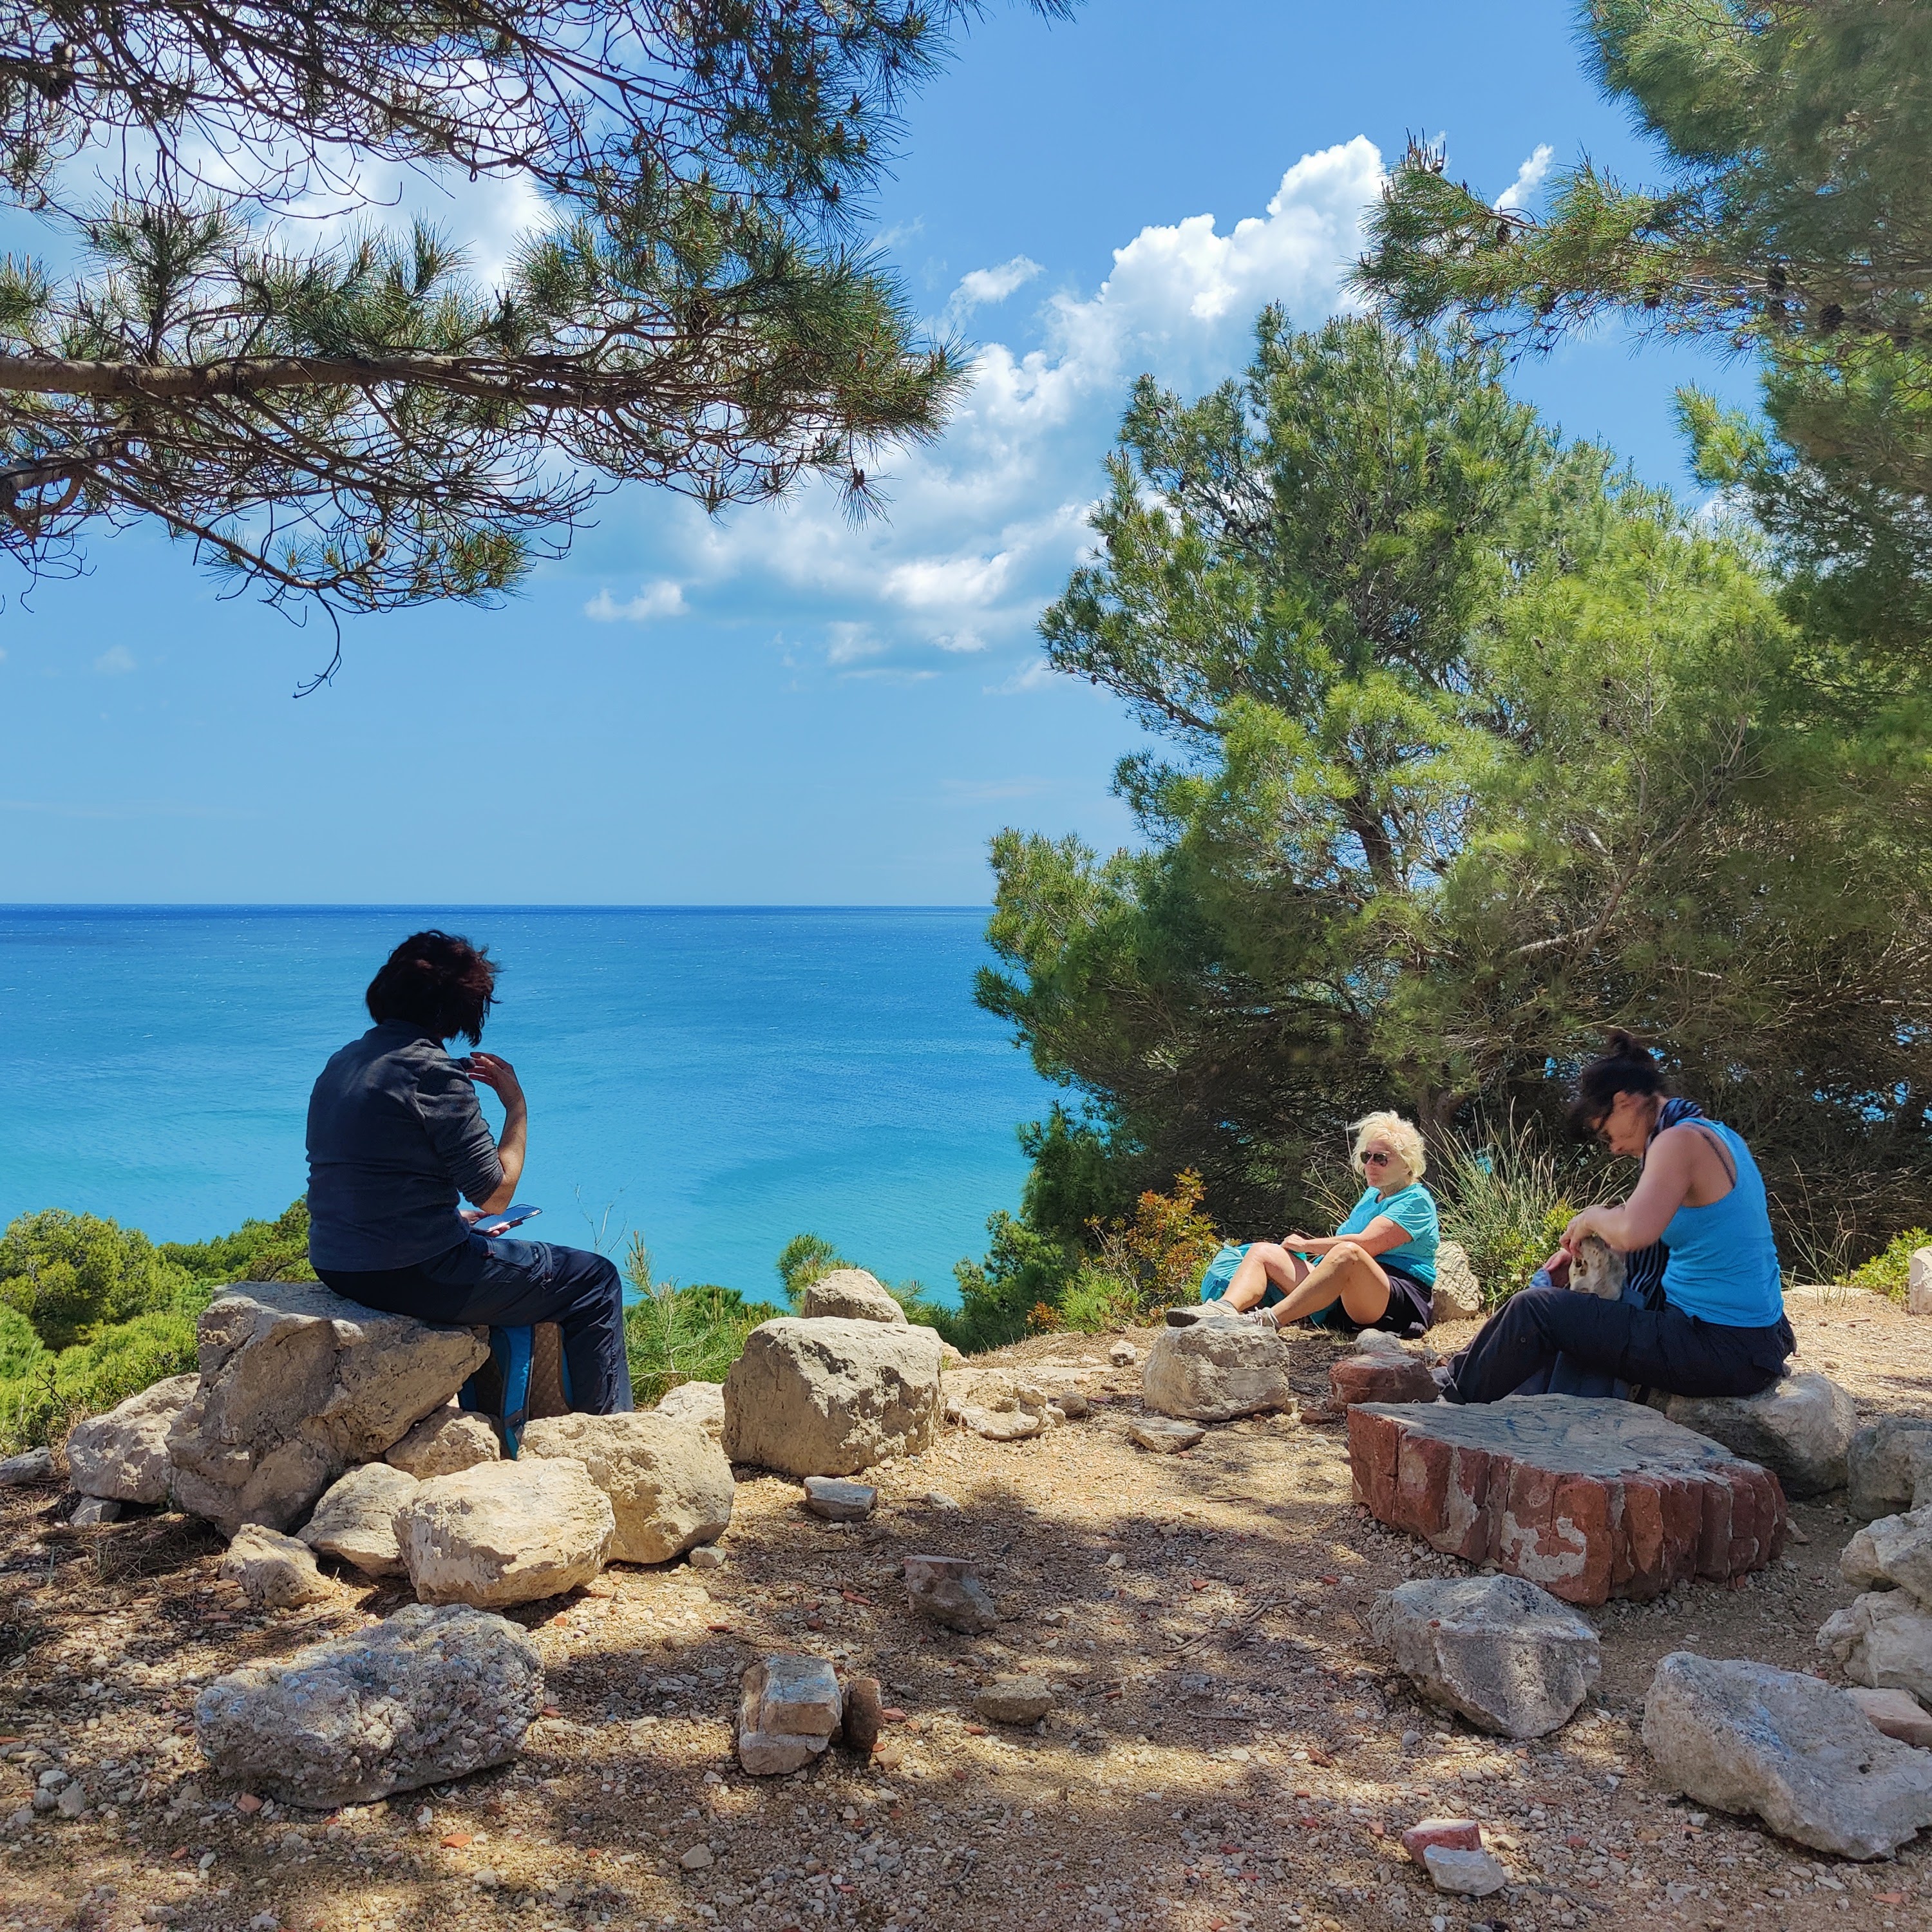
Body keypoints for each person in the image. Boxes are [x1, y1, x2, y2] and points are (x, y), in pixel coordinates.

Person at [305, 929, 633, 1414]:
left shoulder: (345, 1061)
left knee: (491, 1244)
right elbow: (495, 1195)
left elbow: (366, 1173)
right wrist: (516, 1106)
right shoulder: (433, 1072)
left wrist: (443, 1217)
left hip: (338, 1263)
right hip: (411, 1272)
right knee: (595, 1281)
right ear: (460, 1009)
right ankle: (608, 1433)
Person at [1441, 1030, 1794, 1404]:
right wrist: (1589, 1252)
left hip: (1718, 1348)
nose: (1613, 1148)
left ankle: (1453, 1403)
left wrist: (1592, 1217)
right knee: (1556, 1305)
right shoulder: (1712, 1134)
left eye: (1606, 1133)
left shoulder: (1676, 1142)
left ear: (1624, 1103)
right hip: (1757, 1341)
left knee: (1536, 1309)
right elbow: (1648, 1220)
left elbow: (1633, 1232)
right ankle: (1461, 1380)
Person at [1209, 1111, 1440, 1336]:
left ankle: (1267, 1320)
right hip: (1343, 1296)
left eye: (1381, 1159)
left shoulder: (1416, 1200)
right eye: (1366, 1156)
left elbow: (1366, 1245)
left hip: (1393, 1299)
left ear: (1408, 1164)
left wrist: (1307, 1246)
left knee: (1349, 1254)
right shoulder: (1372, 1195)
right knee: (1263, 1252)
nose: (1370, 1164)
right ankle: (1222, 1310)